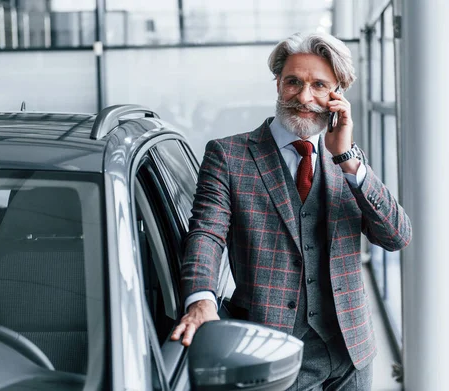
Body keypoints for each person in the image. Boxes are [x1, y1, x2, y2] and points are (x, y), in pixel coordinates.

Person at [171, 31, 412, 391]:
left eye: (319, 85)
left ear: (337, 94)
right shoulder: (229, 155)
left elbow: (396, 236)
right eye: (293, 82)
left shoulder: (347, 156)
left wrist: (346, 159)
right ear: (278, 84)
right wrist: (201, 298)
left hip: (350, 353)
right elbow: (207, 231)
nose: (304, 97)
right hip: (268, 349)